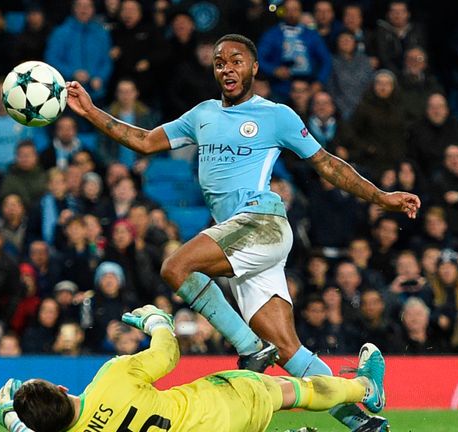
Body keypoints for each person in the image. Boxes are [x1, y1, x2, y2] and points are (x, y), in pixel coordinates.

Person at [64, 33, 419, 432]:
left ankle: (250, 346)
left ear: (253, 67)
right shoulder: (202, 115)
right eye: (219, 63)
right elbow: (145, 141)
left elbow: (328, 164)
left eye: (235, 61)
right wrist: (91, 111)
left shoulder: (277, 115)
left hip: (261, 222)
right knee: (290, 353)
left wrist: (381, 197)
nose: (227, 68)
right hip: (238, 237)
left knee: (175, 268)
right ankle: (362, 409)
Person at [0, 305, 386, 432]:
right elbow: (168, 354)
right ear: (62, 389)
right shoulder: (111, 378)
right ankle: (366, 389)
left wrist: (13, 420)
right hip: (223, 404)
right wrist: (156, 322)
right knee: (299, 392)